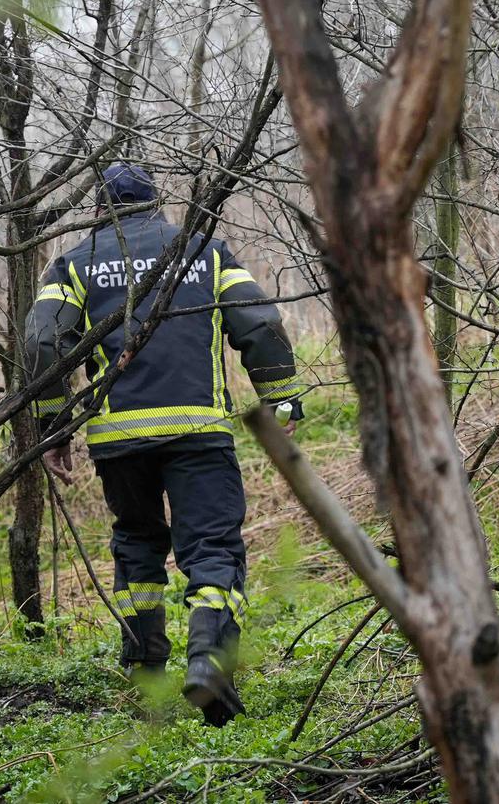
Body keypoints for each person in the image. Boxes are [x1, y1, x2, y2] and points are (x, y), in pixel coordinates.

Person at [23, 162, 304, 726]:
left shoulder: (74, 263)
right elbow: (258, 323)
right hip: (198, 432)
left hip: (119, 440)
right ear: (156, 204)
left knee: (137, 544)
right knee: (213, 550)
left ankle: (146, 672)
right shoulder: (204, 250)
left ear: (100, 211)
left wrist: (55, 425)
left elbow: (42, 340)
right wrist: (282, 398)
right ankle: (209, 664)